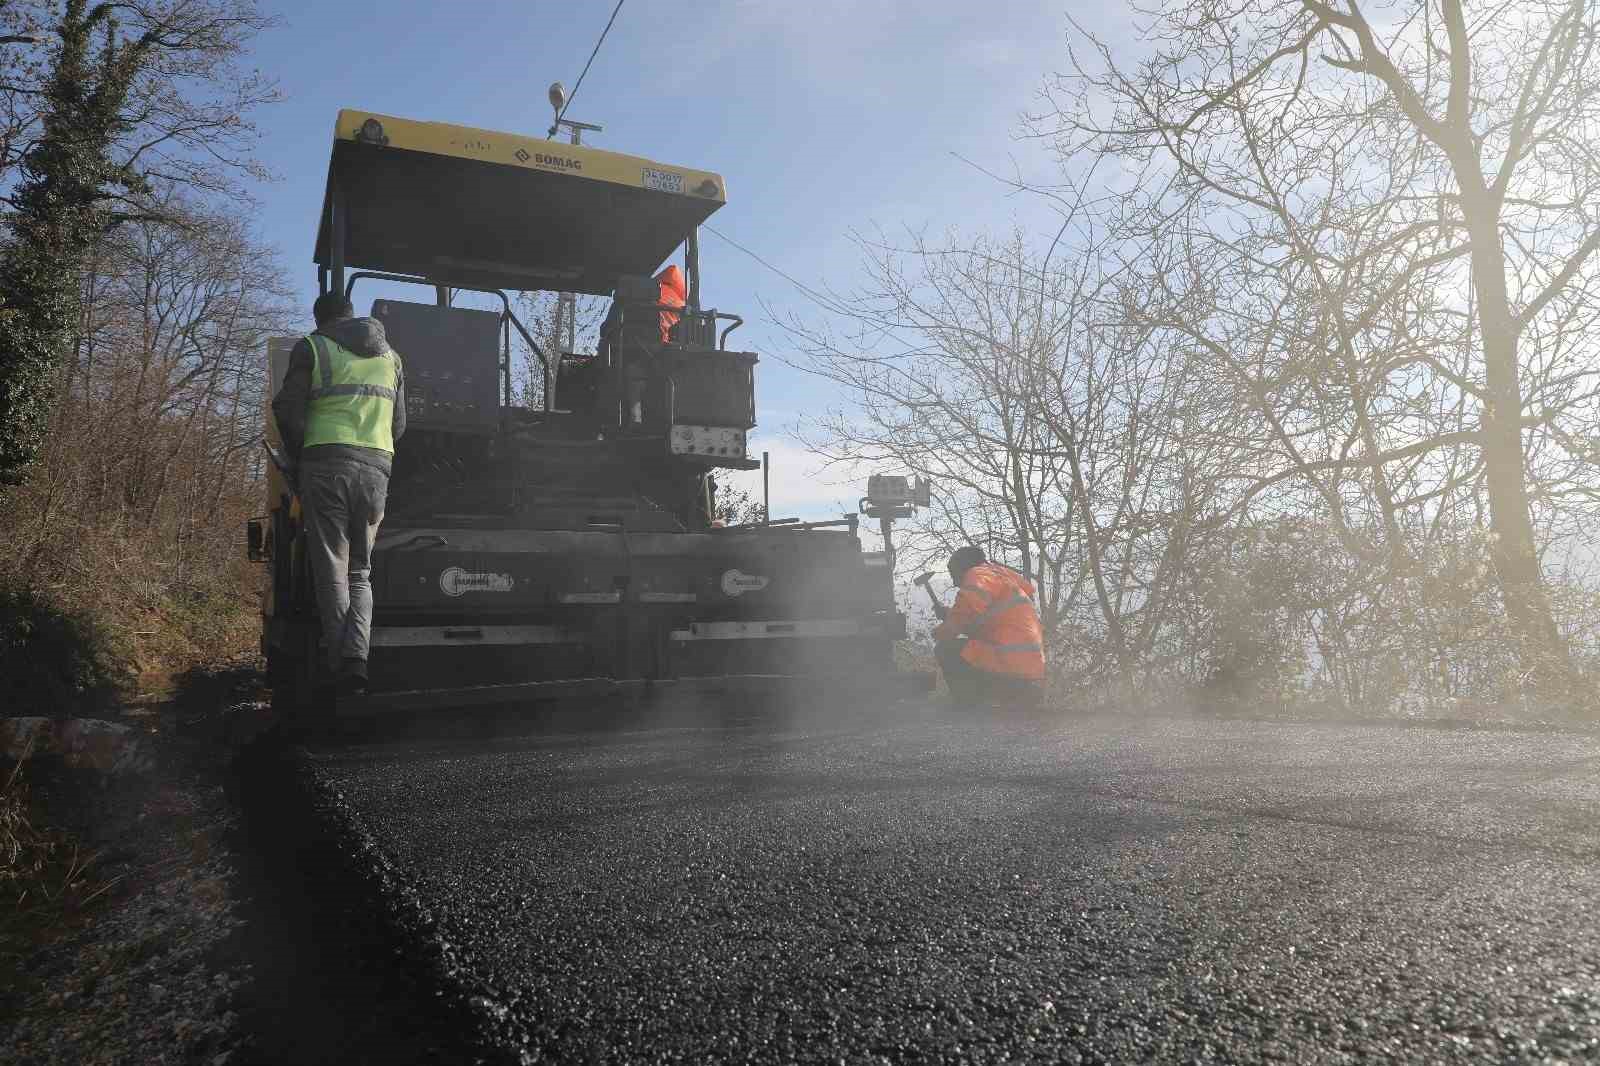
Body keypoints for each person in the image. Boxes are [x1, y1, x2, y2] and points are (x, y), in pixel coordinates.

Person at [271, 292, 406, 695]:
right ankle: (356, 658)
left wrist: (299, 456)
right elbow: (399, 425)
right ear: (350, 315)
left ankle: (341, 665)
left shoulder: (313, 346)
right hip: (377, 468)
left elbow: (285, 408)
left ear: (321, 319)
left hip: (326, 465)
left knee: (331, 566)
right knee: (361, 571)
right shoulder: (392, 357)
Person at [930, 546, 1046, 708]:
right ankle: (1017, 691)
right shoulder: (999, 576)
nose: (956, 583)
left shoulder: (977, 576)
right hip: (1028, 662)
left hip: (1008, 659)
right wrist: (950, 615)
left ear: (964, 567)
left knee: (946, 649)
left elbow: (960, 618)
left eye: (954, 575)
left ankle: (969, 705)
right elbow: (980, 623)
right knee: (966, 647)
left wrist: (940, 632)